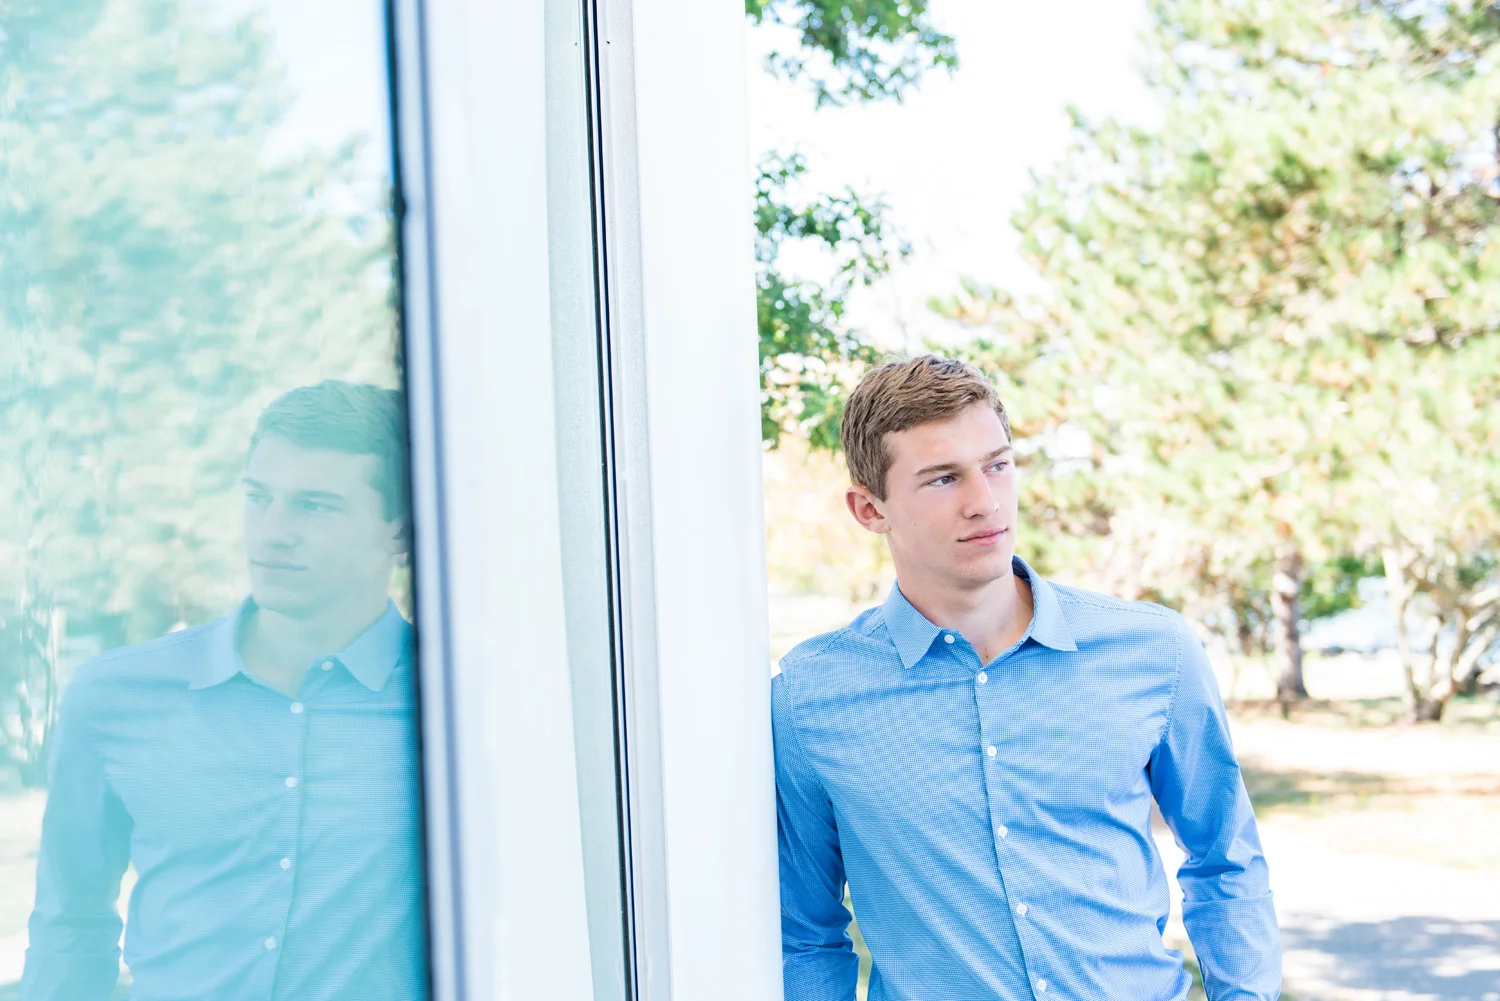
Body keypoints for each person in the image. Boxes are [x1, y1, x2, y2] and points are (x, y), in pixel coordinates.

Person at [773, 356, 1281, 1000]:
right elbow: (806, 934)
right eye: (941, 479)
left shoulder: (1154, 650)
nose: (983, 502)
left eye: (997, 465)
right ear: (869, 509)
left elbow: (1226, 861)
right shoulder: (810, 698)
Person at [22, 381, 427, 1000]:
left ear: (399, 531)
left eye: (314, 505)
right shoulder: (115, 696)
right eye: (258, 498)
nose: (272, 531)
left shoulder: (455, 708)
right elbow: (69, 926)